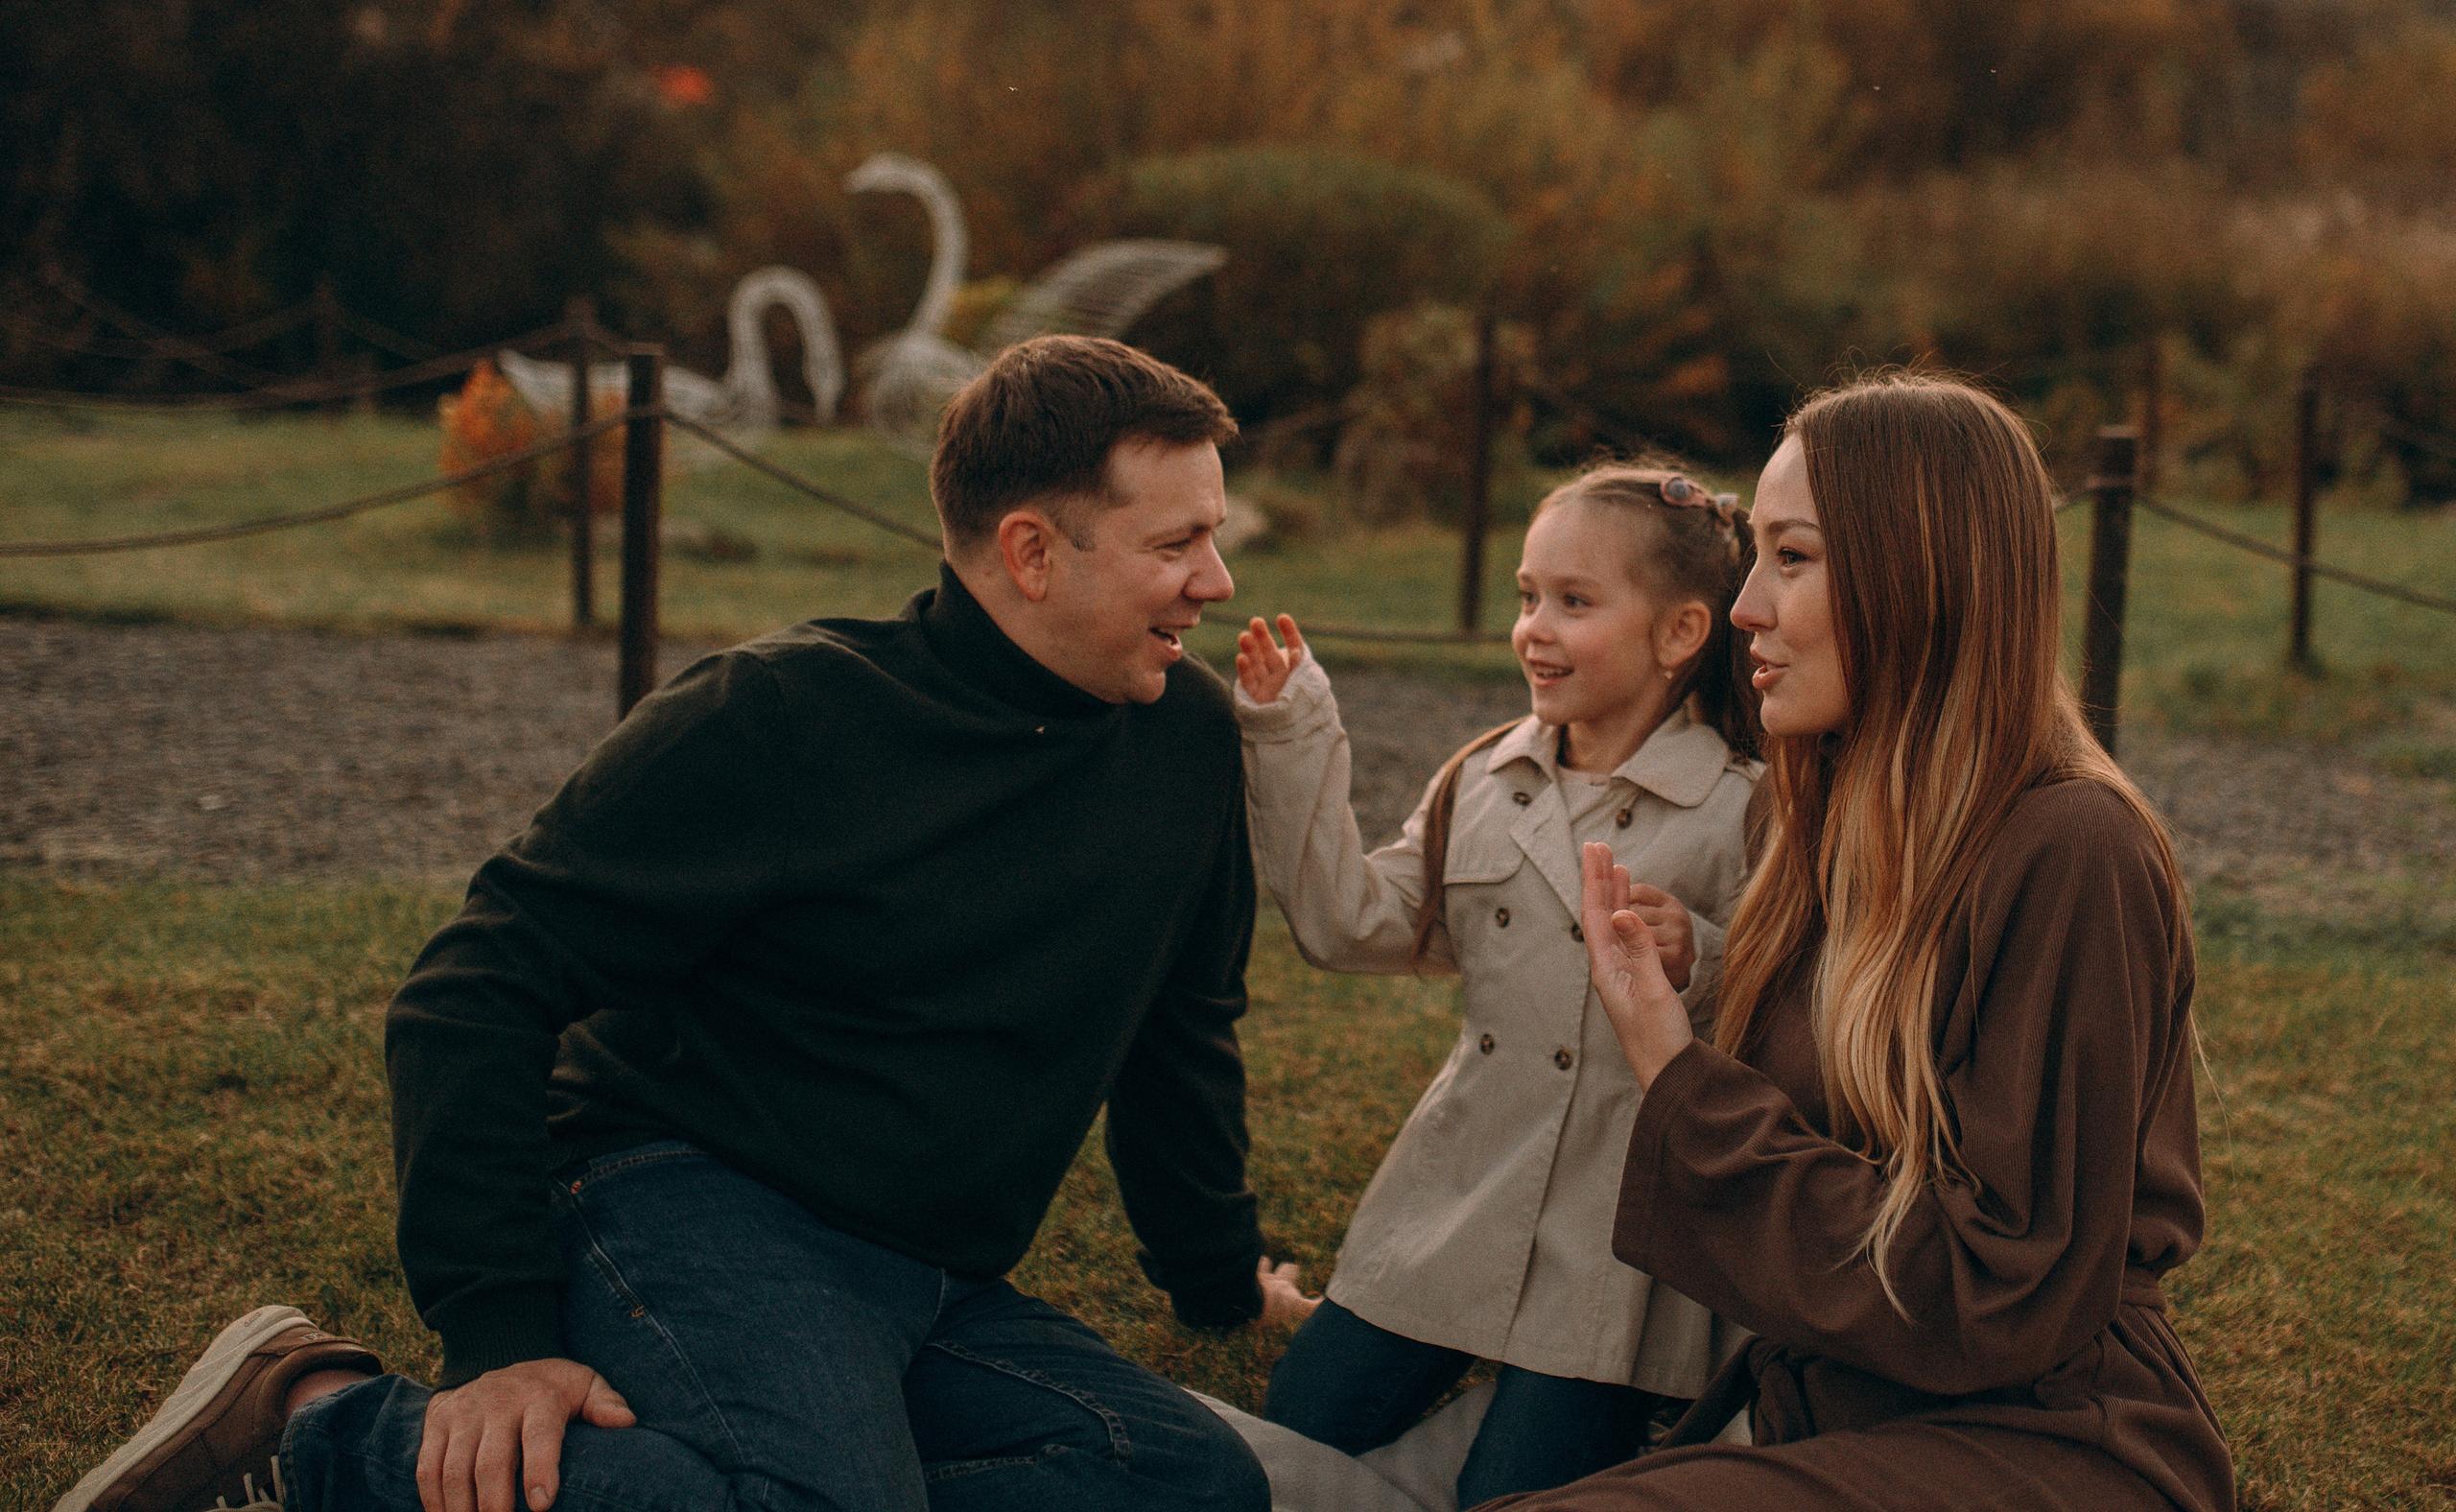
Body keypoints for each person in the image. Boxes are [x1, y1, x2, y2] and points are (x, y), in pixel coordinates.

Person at [57, 336, 1298, 1512]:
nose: (1217, 580)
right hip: (689, 1198)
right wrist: (499, 1336)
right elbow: (476, 984)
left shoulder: (1184, 743)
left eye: (1216, 536)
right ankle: (319, 1429)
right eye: (1177, 541)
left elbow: (1179, 1032)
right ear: (1032, 551)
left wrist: (1217, 1277)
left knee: (1186, 1481)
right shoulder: (783, 718)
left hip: (932, 1276)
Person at [1484, 373, 2233, 1511]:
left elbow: (1995, 1292)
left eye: (1792, 558)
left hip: (2053, 1440)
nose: (1742, 608)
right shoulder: (1826, 825)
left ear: (1918, 576)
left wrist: (1676, 1073)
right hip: (1829, 1402)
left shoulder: (2073, 848)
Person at [1227, 462, 1764, 1506]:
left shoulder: (1744, 806)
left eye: (1573, 601)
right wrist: (1290, 734)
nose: (1534, 628)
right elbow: (1352, 924)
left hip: (1618, 1255)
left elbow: (1806, 989)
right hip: (1454, 1205)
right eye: (1526, 597)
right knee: (1286, 1447)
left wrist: (1702, 950)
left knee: (1514, 1491)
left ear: (1680, 632)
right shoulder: (1482, 776)